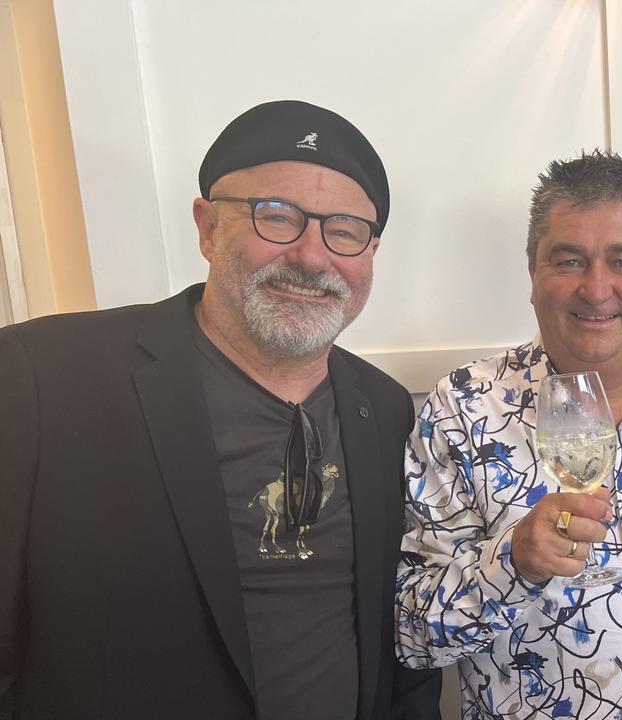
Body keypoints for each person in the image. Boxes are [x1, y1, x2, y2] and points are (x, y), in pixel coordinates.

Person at [0, 100, 441, 720]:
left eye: (343, 230)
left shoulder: (387, 408)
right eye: (276, 216)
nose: (312, 257)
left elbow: (397, 642)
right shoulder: (41, 377)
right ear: (207, 228)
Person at [395, 150, 622, 719]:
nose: (596, 288)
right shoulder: (463, 407)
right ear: (533, 274)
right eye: (569, 260)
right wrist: (512, 564)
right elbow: (411, 637)